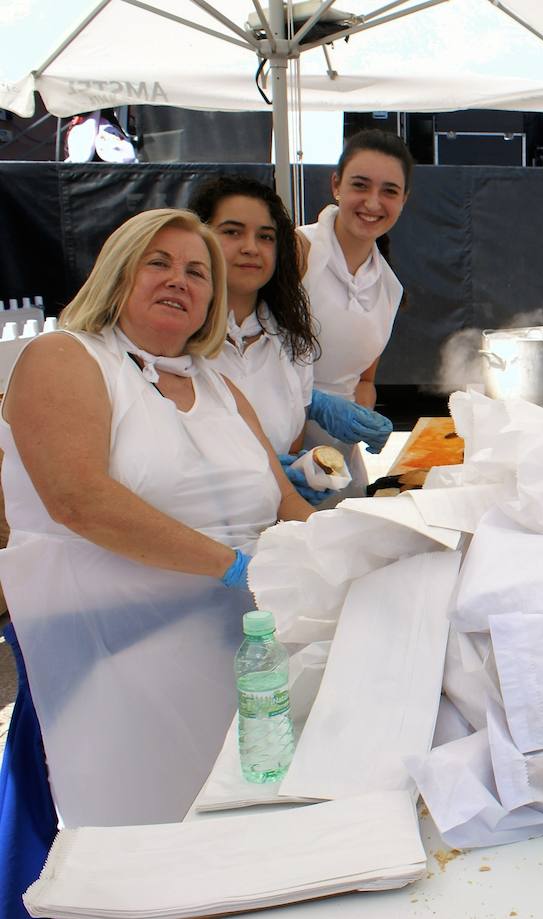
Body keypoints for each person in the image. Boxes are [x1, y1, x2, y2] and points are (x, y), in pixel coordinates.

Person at [0, 210, 312, 907]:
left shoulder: (221, 388)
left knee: (233, 841)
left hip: (240, 654)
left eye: (197, 271)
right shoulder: (66, 357)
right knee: (138, 854)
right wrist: (233, 565)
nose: (180, 280)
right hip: (111, 656)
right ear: (119, 272)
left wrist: (360, 546)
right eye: (159, 263)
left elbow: (284, 500)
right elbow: (79, 499)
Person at [190, 174, 391, 504]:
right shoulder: (174, 336)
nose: (250, 247)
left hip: (272, 524)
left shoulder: (291, 340)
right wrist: (260, 477)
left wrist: (296, 471)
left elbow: (292, 444)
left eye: (265, 236)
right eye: (232, 231)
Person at [297, 129, 411, 498]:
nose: (373, 203)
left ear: (404, 200)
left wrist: (363, 419)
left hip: (338, 466)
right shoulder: (296, 250)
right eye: (360, 186)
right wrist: (313, 404)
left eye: (389, 191)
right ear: (336, 186)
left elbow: (363, 380)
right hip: (275, 453)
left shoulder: (389, 289)